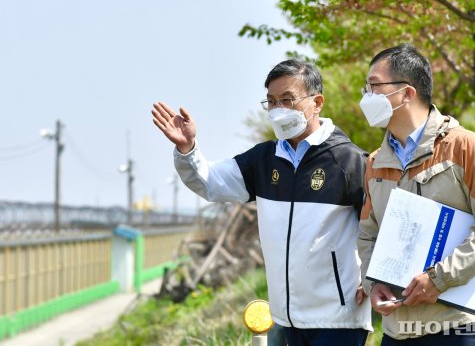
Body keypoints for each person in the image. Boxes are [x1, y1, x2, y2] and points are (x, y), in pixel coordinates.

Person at [152, 59, 372, 346]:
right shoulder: (263, 160)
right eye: (271, 101)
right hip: (283, 317)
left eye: (287, 100)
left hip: (338, 319)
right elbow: (210, 182)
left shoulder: (349, 161)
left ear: (316, 102)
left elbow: (377, 227)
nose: (278, 109)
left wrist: (373, 279)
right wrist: (187, 149)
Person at [357, 44, 475, 345]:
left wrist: (439, 280)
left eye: (374, 86)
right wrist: (374, 283)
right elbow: (367, 236)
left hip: (461, 328)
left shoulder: (466, 148)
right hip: (398, 331)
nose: (367, 97)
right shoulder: (375, 163)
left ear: (407, 93)